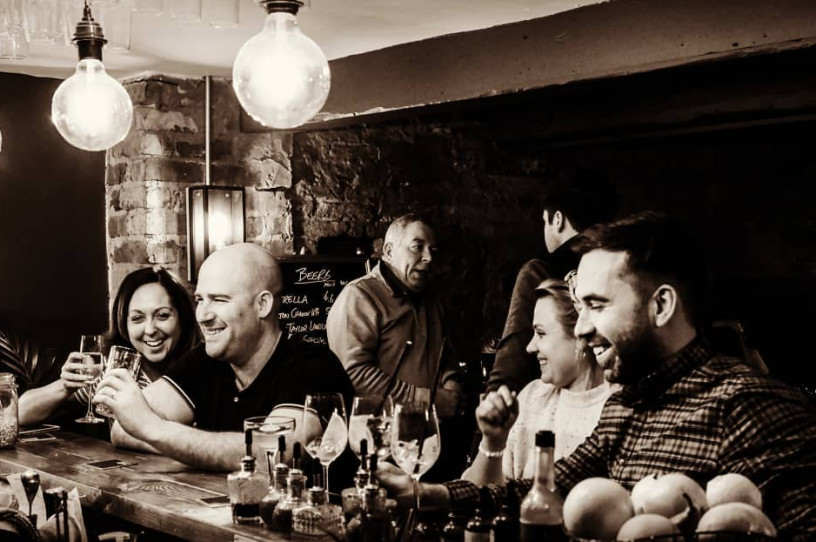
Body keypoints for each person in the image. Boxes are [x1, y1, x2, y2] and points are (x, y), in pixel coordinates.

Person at [378, 212, 816, 535]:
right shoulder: (625, 404)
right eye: (580, 306)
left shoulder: (753, 409)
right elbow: (543, 492)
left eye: (597, 305)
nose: (582, 328)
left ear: (661, 306)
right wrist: (431, 495)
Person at [94, 243, 355, 474]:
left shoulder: (313, 366)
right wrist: (209, 449)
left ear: (262, 305)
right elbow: (124, 428)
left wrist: (154, 429)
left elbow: (275, 453)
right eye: (200, 300)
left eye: (219, 300)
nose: (202, 315)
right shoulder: (206, 359)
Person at [462, 279, 617, 484]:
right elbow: (476, 495)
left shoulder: (618, 406)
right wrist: (493, 441)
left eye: (541, 333)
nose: (530, 347)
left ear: (581, 335)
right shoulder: (532, 397)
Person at [486, 167, 616, 394]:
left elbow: (511, 367)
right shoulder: (623, 268)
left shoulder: (538, 272)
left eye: (544, 221)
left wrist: (494, 403)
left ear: (557, 220)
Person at [16, 266, 199, 426]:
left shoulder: (206, 366)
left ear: (183, 317)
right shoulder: (116, 371)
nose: (150, 329)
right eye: (137, 318)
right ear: (124, 324)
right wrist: (65, 386)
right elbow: (20, 413)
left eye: (163, 315)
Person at [326, 214, 465, 418]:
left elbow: (446, 357)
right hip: (379, 436)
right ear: (389, 251)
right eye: (417, 247)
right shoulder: (360, 296)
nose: (429, 258)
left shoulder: (431, 300)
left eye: (432, 250)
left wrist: (452, 388)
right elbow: (353, 374)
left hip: (431, 434)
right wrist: (425, 401)